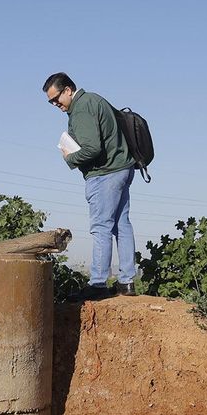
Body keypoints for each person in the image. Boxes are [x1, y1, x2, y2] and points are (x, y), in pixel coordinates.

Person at [43, 72, 136, 300]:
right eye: (50, 102)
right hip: (122, 168)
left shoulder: (82, 107)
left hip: (104, 174)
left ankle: (98, 284)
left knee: (101, 227)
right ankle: (127, 282)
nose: (55, 104)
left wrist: (69, 158)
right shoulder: (95, 99)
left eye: (56, 98)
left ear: (68, 90)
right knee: (121, 225)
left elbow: (92, 148)